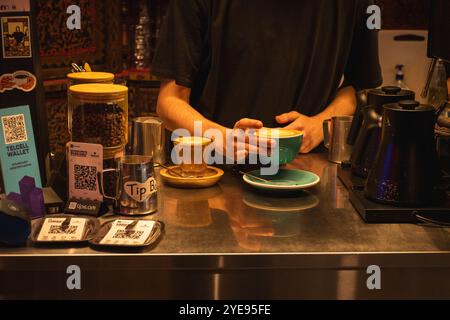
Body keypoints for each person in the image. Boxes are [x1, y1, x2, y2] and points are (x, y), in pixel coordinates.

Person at [153, 0, 382, 157]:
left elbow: (360, 87)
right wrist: (222, 138)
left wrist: (321, 124)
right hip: (213, 175)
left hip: (308, 175)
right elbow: (169, 102)